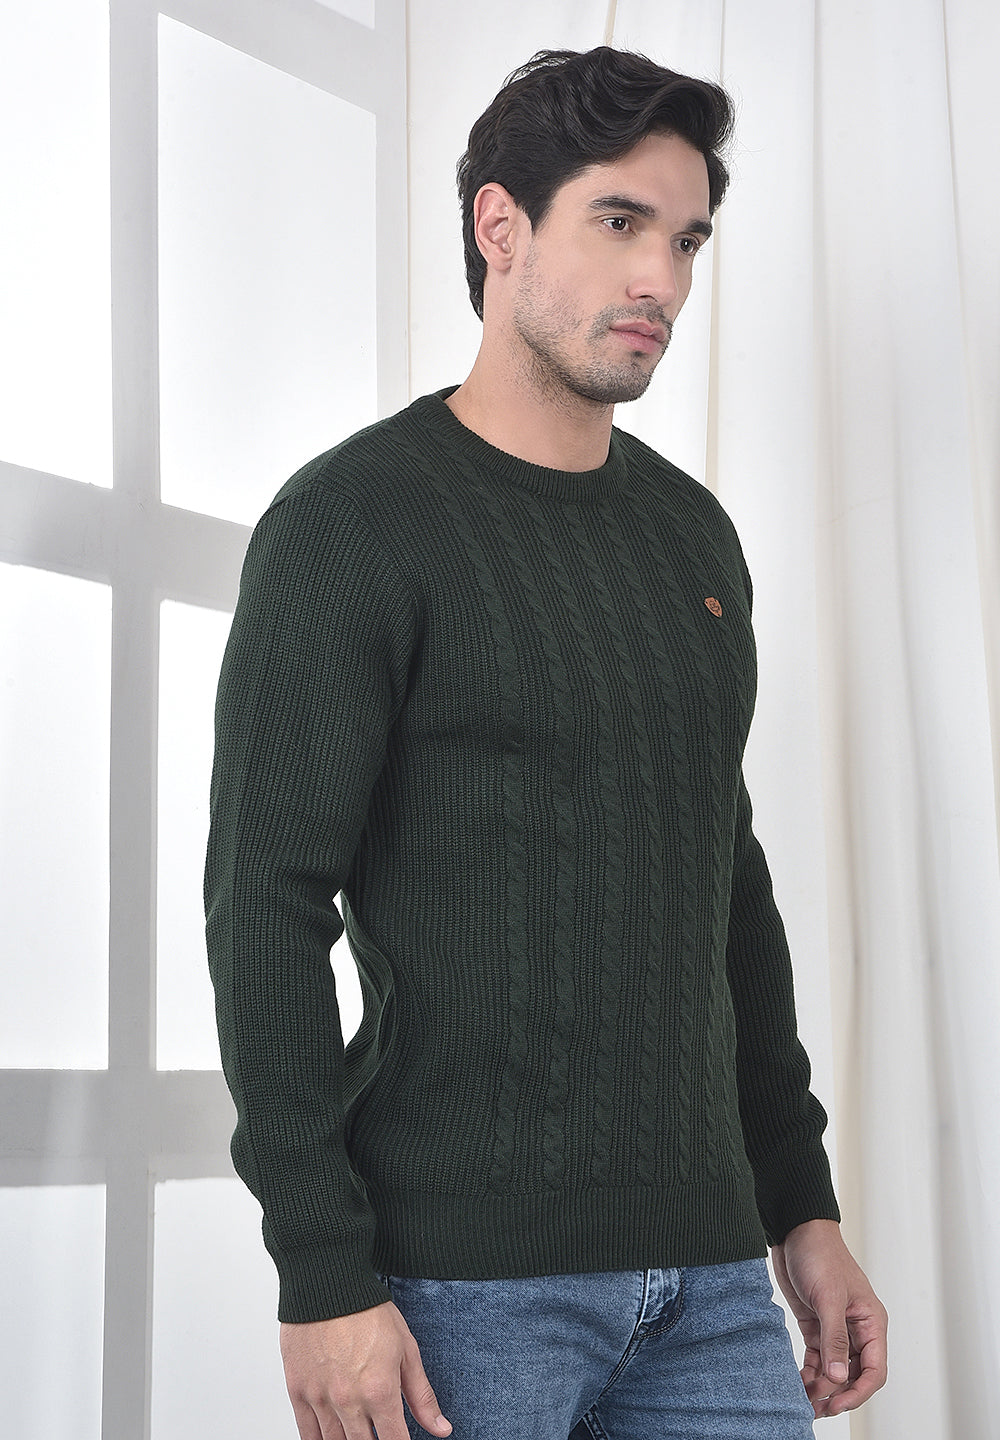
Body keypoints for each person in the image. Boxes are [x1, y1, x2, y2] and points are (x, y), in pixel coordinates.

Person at [205, 45, 887, 1440]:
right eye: (620, 222)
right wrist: (321, 1272)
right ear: (500, 227)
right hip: (456, 1292)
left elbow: (726, 887)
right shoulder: (353, 524)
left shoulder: (691, 538)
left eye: (686, 240)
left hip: (713, 1285)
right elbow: (263, 905)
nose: (661, 280)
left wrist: (800, 1207)